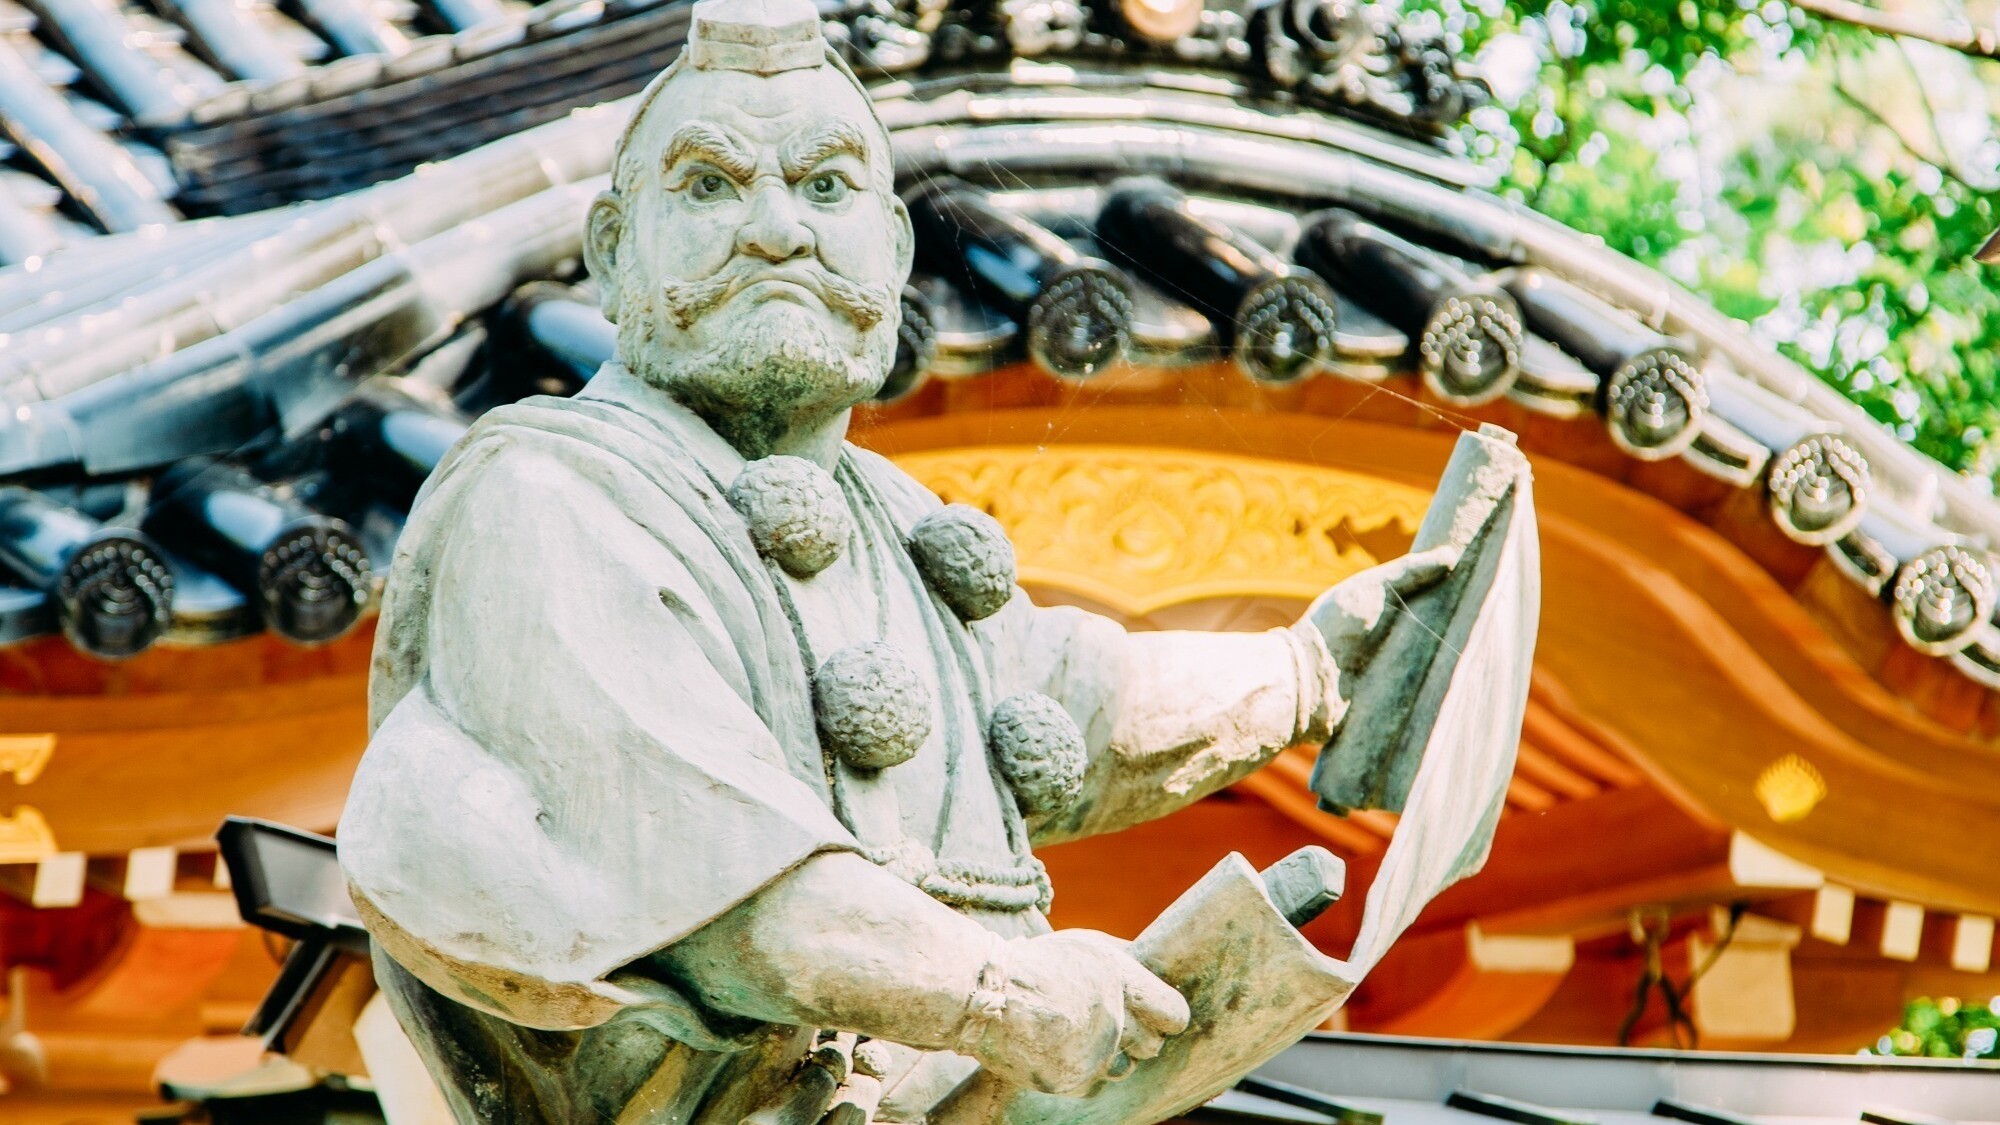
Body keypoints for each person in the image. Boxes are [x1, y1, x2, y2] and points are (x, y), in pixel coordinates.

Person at [338, 1, 1481, 1119]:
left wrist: (1309, 670)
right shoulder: (545, 493)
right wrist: (999, 990)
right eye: (709, 186)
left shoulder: (890, 519)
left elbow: (1065, 702)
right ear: (611, 249)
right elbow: (717, 874)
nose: (777, 229)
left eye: (826, 186)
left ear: (889, 252)